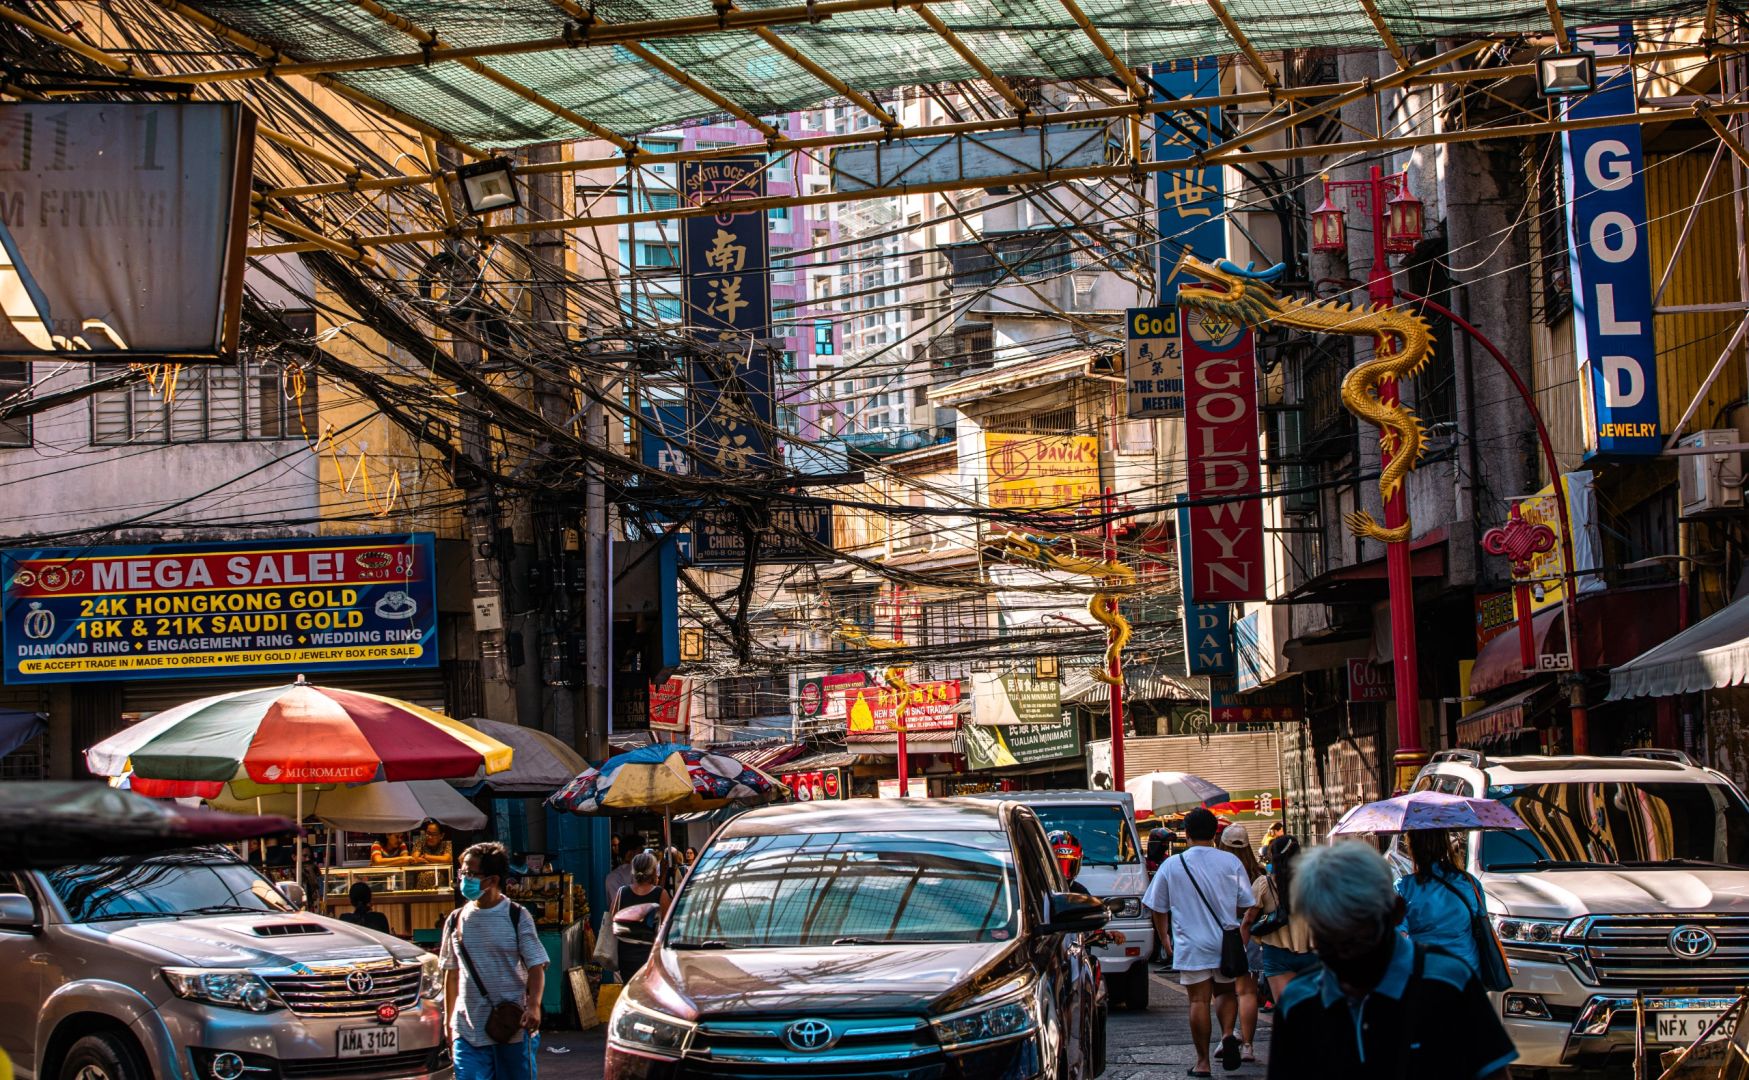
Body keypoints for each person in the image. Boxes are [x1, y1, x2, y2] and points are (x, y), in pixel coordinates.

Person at [1267, 842, 1516, 1080]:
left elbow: (1493, 1073)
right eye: (1327, 935)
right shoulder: (1299, 1001)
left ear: (1395, 912)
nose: (1343, 953)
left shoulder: (1448, 981)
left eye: (1355, 935)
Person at [1143, 806, 1255, 1076]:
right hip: (1226, 942)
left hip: (1191, 943)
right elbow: (1245, 904)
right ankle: (1228, 1034)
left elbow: (1157, 907)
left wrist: (1164, 938)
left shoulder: (1173, 864)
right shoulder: (1230, 862)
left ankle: (1202, 1062)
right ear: (1215, 832)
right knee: (1226, 993)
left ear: (1187, 833)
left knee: (1198, 1001)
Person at [440, 842, 548, 1080]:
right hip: (467, 1031)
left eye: (470, 873)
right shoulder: (455, 920)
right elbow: (452, 973)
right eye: (462, 873)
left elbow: (536, 965)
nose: (463, 879)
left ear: (492, 880)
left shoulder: (517, 916)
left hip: (512, 1028)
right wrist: (449, 1022)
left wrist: (534, 1006)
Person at [1395, 828, 1484, 974]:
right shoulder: (1469, 883)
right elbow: (1481, 920)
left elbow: (1399, 936)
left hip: (1425, 971)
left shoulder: (1404, 887)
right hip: (1467, 970)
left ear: (1413, 848)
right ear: (1445, 845)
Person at [1244, 834, 1320, 1004]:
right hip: (1312, 951)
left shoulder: (1264, 883)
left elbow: (1249, 920)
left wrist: (1242, 948)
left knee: (1286, 1009)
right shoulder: (1314, 881)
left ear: (1273, 856)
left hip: (1276, 953)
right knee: (1311, 1008)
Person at [1220, 824, 1264, 1064]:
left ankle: (1225, 1036)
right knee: (1248, 991)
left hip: (1225, 935)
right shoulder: (1257, 873)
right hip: (1253, 936)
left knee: (1224, 990)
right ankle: (1247, 1046)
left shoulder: (1218, 869)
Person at [608, 851, 672, 980]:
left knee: (629, 987)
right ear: (653, 871)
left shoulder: (621, 892)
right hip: (650, 956)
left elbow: (611, 920)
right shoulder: (661, 894)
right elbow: (668, 926)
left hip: (625, 956)